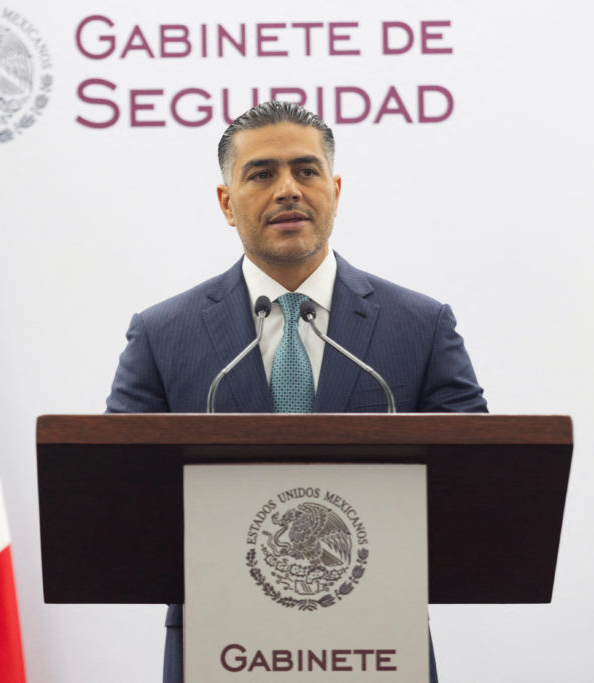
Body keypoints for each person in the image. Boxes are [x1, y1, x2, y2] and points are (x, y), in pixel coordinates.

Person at [105, 101, 487, 682]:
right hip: (224, 645)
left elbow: (474, 489)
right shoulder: (163, 334)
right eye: (261, 174)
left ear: (334, 189)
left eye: (306, 171)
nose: (288, 189)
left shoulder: (421, 325)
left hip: (375, 642)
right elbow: (122, 501)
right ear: (226, 203)